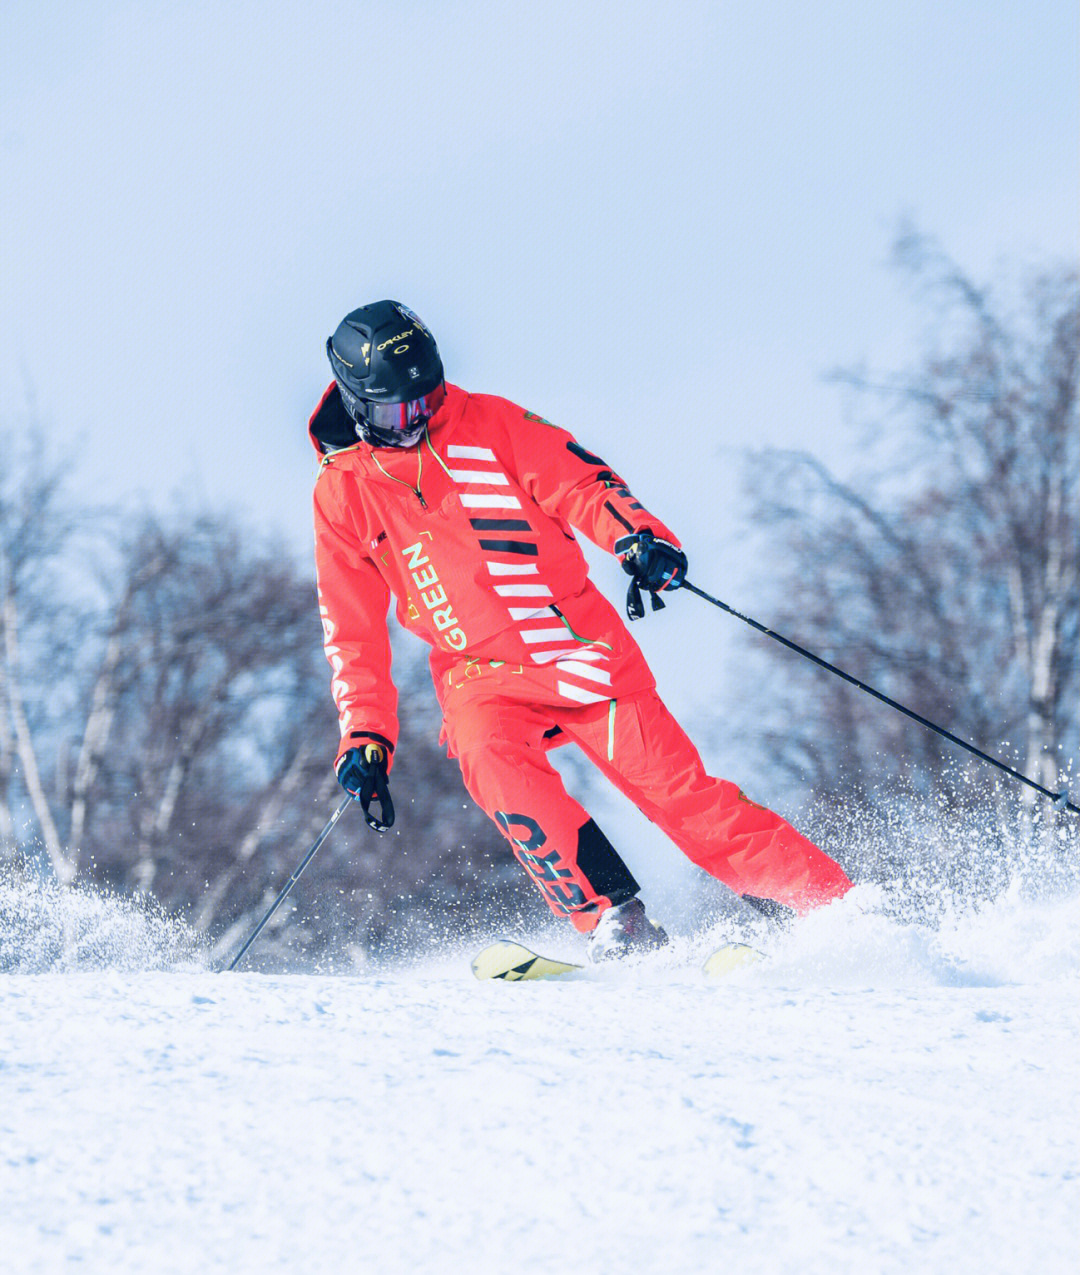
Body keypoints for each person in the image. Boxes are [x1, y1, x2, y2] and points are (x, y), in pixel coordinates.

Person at [310, 300, 852, 960]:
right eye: (399, 411)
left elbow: (582, 482)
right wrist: (366, 733)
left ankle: (834, 914)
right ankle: (614, 920)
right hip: (482, 676)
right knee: (487, 752)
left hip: (581, 654)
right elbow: (351, 630)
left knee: (684, 800)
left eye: (427, 397)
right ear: (357, 403)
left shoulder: (490, 424)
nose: (417, 418)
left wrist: (638, 539)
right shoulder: (343, 494)